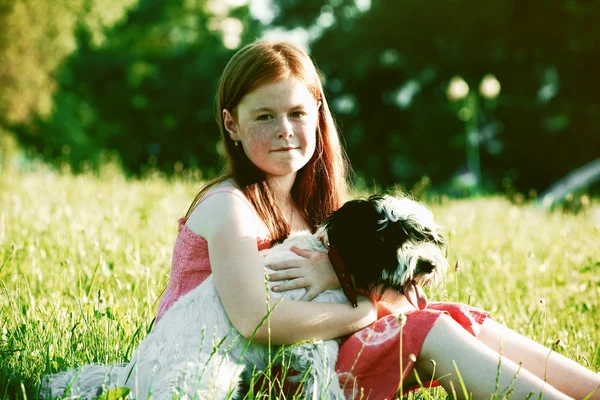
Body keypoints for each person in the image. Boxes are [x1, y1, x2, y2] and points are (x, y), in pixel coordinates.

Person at [155, 40, 600, 399]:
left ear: (318, 115)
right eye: (264, 117)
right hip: (243, 378)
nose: (284, 130)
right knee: (430, 328)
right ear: (231, 124)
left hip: (303, 358)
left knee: (451, 315)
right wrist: (362, 310)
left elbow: (401, 301)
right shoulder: (229, 204)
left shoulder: (311, 208)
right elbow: (255, 321)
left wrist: (340, 276)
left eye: (296, 114)